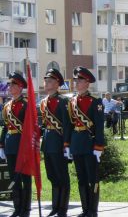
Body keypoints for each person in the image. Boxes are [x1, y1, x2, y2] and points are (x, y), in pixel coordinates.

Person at [65, 67, 104, 217]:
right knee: (81, 178)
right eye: (75, 80)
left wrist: (99, 146)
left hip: (90, 144)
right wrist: (67, 145)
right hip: (76, 143)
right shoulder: (72, 102)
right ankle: (85, 208)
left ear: (87, 83)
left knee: (92, 178)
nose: (76, 82)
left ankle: (92, 210)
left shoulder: (95, 102)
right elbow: (69, 125)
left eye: (80, 80)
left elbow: (99, 125)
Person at [0, 73, 32, 217]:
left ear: (20, 87)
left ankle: (26, 209)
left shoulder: (26, 105)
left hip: (22, 146)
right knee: (14, 178)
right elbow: (6, 127)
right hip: (10, 146)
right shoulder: (7, 106)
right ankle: (17, 207)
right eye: (10, 84)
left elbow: (31, 129)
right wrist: (1, 146)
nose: (10, 87)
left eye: (13, 84)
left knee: (25, 177)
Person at [41, 68, 71, 217]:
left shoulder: (63, 101)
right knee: (52, 176)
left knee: (61, 176)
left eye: (50, 80)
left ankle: (62, 208)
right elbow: (43, 124)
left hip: (59, 143)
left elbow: (66, 124)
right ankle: (55, 206)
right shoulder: (44, 102)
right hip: (47, 143)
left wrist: (66, 145)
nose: (46, 82)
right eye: (46, 80)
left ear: (57, 83)